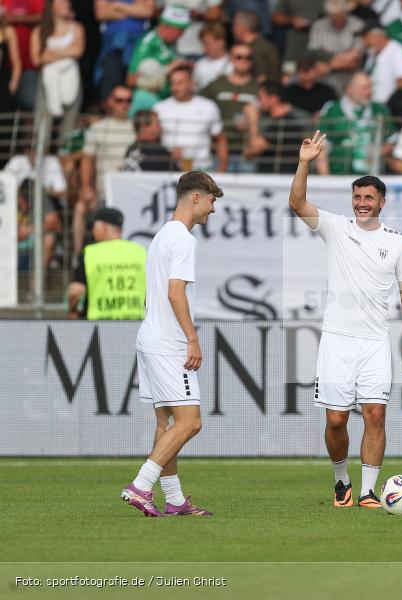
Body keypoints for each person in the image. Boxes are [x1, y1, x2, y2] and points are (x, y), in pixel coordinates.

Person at [288, 130, 402, 508]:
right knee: (335, 421)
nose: (362, 204)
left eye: (368, 198)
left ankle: (367, 492)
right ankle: (341, 481)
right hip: (337, 339)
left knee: (375, 415)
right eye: (357, 197)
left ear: (382, 201)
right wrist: (304, 163)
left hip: (375, 342)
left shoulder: (397, 241)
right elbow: (297, 203)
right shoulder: (336, 227)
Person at [121, 170, 223, 518]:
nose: (212, 209)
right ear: (196, 197)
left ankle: (175, 500)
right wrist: (192, 340)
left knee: (166, 424)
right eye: (211, 201)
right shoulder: (183, 239)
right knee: (190, 422)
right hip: (169, 343)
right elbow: (175, 293)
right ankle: (140, 486)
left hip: (151, 336)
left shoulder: (162, 235)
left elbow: (153, 296)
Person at [78, 85, 136, 253]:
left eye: (128, 100)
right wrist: (87, 187)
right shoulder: (97, 128)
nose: (124, 104)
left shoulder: (136, 127)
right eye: (119, 100)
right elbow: (87, 160)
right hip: (105, 193)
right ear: (110, 102)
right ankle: (79, 256)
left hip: (131, 192)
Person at [67, 207, 146, 320]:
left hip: (100, 326)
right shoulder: (141, 251)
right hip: (136, 324)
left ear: (103, 227)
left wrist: (72, 310)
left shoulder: (91, 253)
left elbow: (76, 292)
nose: (92, 231)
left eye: (94, 227)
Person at [153, 64, 228, 172]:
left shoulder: (208, 106)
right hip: (168, 169)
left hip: (202, 170)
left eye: (180, 83)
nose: (175, 87)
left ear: (191, 83)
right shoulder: (159, 108)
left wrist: (222, 170)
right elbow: (151, 140)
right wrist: (166, 154)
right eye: (172, 83)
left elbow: (220, 139)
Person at [316, 71, 393, 175]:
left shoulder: (380, 110)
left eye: (370, 87)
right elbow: (321, 145)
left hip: (371, 178)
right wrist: (326, 178)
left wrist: (378, 152)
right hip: (338, 175)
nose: (369, 92)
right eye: (364, 88)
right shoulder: (332, 110)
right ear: (349, 89)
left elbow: (392, 140)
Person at [200, 42, 259, 172]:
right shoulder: (216, 85)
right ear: (231, 59)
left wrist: (251, 123)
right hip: (218, 151)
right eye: (239, 57)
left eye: (248, 57)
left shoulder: (258, 87)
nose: (243, 60)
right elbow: (199, 106)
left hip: (247, 153)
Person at [31, 0, 84, 141]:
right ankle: (40, 153)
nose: (66, 5)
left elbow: (78, 51)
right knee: (42, 123)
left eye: (67, 3)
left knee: (68, 126)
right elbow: (37, 59)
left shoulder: (77, 28)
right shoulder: (39, 31)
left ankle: (63, 153)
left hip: (72, 79)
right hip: (46, 81)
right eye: (61, 3)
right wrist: (66, 52)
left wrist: (50, 53)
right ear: (51, 7)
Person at [126, 5, 190, 114]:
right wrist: (169, 68)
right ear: (166, 26)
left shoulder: (170, 44)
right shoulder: (148, 43)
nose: (181, 36)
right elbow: (131, 79)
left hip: (168, 100)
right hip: (148, 101)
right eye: (179, 31)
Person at [242, 82, 309, 173]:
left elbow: (252, 151)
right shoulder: (285, 120)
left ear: (273, 98)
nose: (259, 102)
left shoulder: (283, 123)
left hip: (279, 176)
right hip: (277, 175)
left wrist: (252, 119)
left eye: (261, 98)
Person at [361, 23, 402, 104]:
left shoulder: (397, 51)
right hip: (373, 105)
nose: (364, 42)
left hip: (388, 106)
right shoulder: (372, 53)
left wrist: (394, 105)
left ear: (377, 36)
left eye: (366, 38)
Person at [232, 9, 279, 83]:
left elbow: (261, 78)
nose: (233, 30)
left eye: (235, 26)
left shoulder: (255, 49)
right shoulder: (265, 44)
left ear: (243, 28)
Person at [192, 21, 229, 92]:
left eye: (208, 44)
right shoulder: (200, 64)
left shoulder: (234, 63)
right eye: (203, 44)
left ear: (221, 41)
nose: (204, 49)